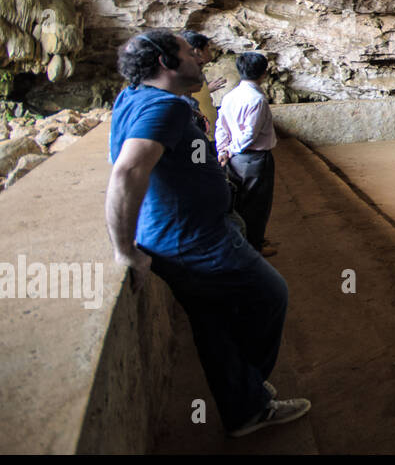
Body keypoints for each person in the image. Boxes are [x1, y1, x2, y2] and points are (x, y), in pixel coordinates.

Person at [105, 29, 310, 437]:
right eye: (190, 54)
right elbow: (127, 170)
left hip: (173, 235)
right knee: (271, 295)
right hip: (194, 240)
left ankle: (245, 409)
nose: (200, 59)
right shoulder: (166, 108)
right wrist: (123, 250)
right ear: (166, 63)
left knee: (213, 323)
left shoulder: (131, 96)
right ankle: (250, 390)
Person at [216, 52, 278, 257]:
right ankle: (254, 246)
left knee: (240, 201)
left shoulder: (230, 96)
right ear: (263, 73)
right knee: (257, 204)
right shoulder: (257, 99)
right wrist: (232, 149)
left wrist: (223, 150)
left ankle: (246, 241)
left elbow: (221, 126)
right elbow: (249, 134)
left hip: (235, 158)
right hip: (254, 158)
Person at [180, 30, 227, 136]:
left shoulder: (197, 73)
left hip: (208, 132)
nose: (210, 52)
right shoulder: (188, 75)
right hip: (201, 135)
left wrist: (207, 89)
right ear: (198, 51)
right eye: (207, 48)